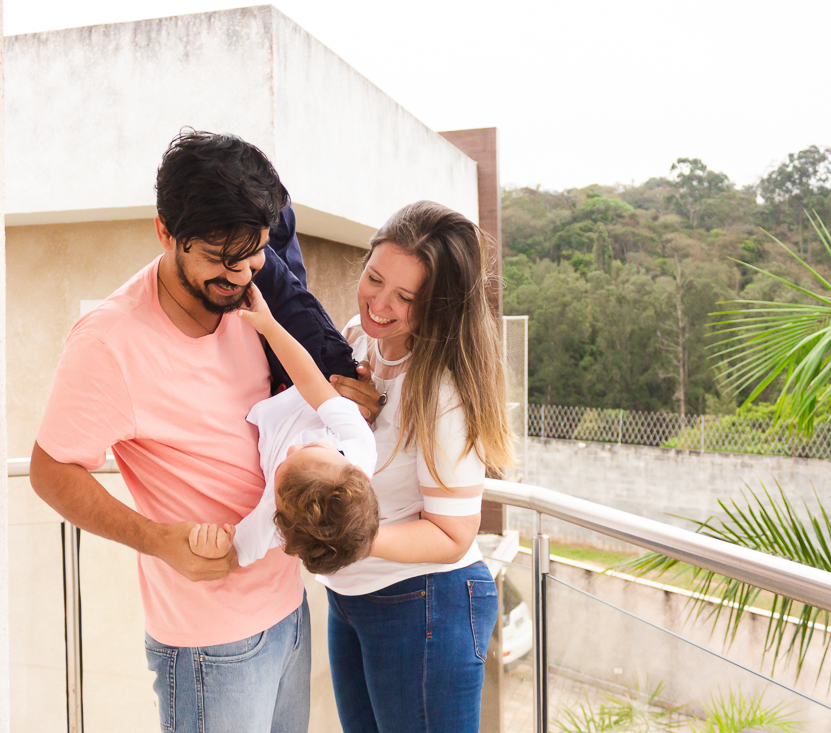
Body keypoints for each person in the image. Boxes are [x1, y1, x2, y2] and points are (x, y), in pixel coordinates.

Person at [29, 130, 377, 733]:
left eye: (256, 253)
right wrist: (159, 540)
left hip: (289, 608)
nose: (242, 275)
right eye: (221, 258)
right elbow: (50, 470)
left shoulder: (253, 293)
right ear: (165, 231)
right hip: (207, 644)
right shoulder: (107, 342)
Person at [320, 200, 517, 733]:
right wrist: (346, 419)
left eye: (405, 297)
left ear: (438, 307)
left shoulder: (442, 388)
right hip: (352, 595)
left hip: (428, 604)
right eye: (374, 278)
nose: (379, 303)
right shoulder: (359, 341)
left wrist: (343, 538)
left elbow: (452, 533)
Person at [188, 282, 380, 575]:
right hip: (321, 375)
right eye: (313, 447)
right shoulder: (358, 444)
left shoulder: (274, 515)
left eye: (285, 465)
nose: (294, 446)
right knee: (280, 286)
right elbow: (310, 381)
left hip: (268, 396)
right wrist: (268, 325)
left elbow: (233, 554)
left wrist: (212, 546)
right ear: (351, 467)